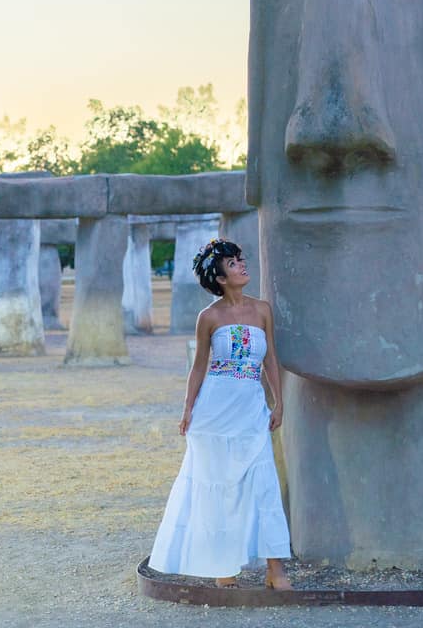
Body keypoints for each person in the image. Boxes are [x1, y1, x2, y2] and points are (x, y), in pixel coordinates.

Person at [149, 238, 292, 589]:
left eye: (241, 260)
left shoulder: (263, 310)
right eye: (233, 263)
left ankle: (276, 571)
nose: (242, 265)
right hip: (214, 410)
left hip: (250, 408)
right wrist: (188, 409)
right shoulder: (208, 317)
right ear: (221, 277)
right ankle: (223, 565)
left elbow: (270, 358)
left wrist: (279, 401)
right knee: (220, 487)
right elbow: (199, 367)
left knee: (263, 482)